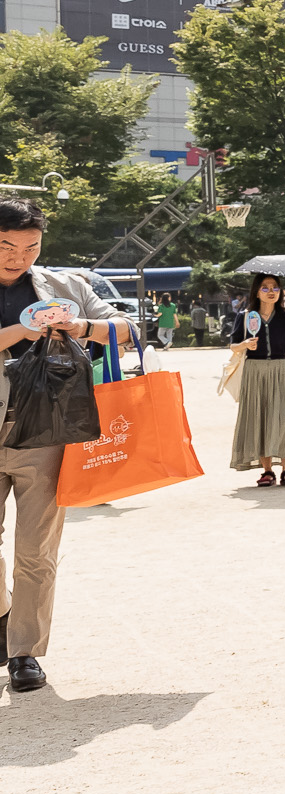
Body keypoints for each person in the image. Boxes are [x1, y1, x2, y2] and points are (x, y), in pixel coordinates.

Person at [0, 198, 135, 693]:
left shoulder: (67, 286)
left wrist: (83, 327)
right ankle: (5, 612)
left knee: (36, 548)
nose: (19, 257)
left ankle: (24, 652)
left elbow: (127, 329)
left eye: (31, 247)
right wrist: (25, 328)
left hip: (46, 431)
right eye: (7, 247)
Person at [228, 273, 285, 487]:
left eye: (275, 287)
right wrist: (246, 344)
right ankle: (267, 471)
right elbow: (233, 345)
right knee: (259, 416)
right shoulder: (245, 316)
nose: (271, 291)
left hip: (281, 368)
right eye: (265, 287)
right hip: (254, 369)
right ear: (256, 291)